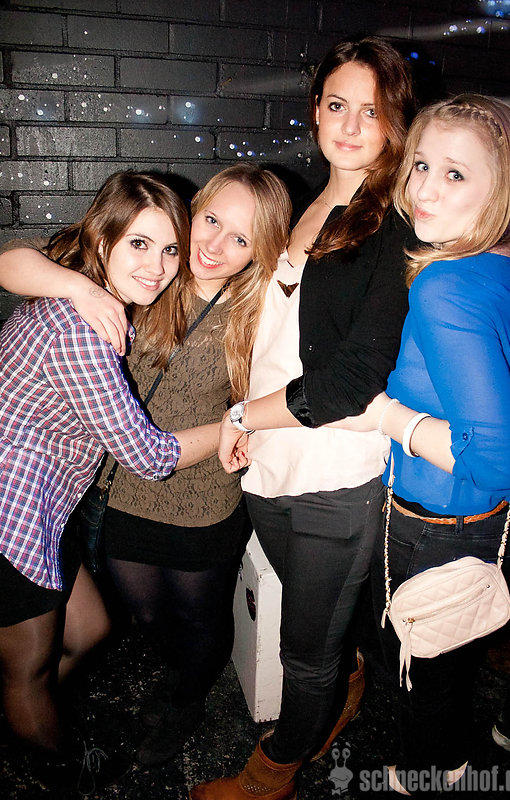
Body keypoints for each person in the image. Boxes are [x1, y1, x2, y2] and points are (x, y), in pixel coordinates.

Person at [0, 164, 292, 769]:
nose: (214, 246)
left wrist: (247, 425)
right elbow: (11, 261)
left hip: (203, 495)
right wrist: (79, 288)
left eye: (241, 238)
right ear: (193, 213)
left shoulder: (261, 306)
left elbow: (291, 388)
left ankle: (186, 699)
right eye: (210, 221)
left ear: (259, 250)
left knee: (197, 620)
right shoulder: (141, 272)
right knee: (146, 616)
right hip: (124, 489)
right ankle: (45, 718)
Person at [192, 36, 416, 800]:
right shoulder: (303, 204)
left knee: (302, 655)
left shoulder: (394, 226)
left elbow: (348, 381)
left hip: (334, 474)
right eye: (336, 104)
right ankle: (346, 682)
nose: (350, 125)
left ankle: (271, 774)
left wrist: (239, 415)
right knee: (321, 633)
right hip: (268, 463)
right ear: (315, 110)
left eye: (371, 111)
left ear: (394, 122)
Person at [319, 94, 510, 790]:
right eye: (420, 165)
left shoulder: (444, 285)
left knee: (418, 676)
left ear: (501, 188)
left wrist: (386, 417)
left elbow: (493, 460)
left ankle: (426, 776)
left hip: (435, 526)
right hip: (486, 528)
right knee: (445, 667)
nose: (424, 189)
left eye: (455, 173)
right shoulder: (509, 262)